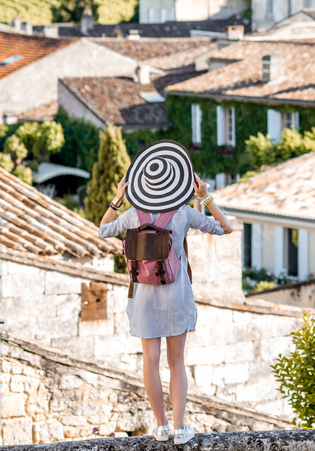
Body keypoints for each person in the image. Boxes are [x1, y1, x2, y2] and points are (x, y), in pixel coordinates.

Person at [98, 173, 233, 444]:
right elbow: (225, 227)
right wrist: (204, 196)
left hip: (144, 299)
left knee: (150, 361)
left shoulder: (133, 215)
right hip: (175, 297)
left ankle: (160, 427)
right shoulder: (183, 213)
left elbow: (103, 229)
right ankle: (180, 429)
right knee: (176, 362)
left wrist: (117, 199)